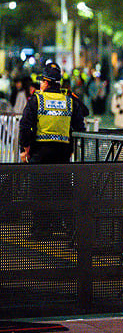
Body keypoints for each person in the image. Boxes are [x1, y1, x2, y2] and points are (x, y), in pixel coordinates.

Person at [18, 62, 86, 239]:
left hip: (40, 151)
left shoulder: (37, 99)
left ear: (46, 82)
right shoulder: (69, 101)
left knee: (39, 192)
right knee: (62, 191)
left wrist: (26, 149)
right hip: (63, 153)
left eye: (42, 81)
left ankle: (41, 230)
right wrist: (71, 148)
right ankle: (65, 229)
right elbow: (80, 126)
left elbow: (25, 126)